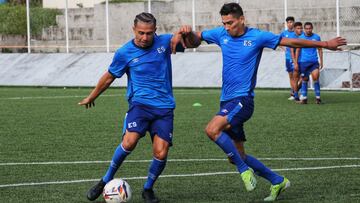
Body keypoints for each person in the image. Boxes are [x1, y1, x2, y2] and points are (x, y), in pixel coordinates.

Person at [173, 3, 346, 201]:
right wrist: (185, 33)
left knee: (212, 130)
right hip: (226, 101)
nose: (227, 27)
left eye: (230, 22)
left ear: (241, 19)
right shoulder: (221, 34)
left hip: (243, 100)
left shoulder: (258, 37)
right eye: (224, 23)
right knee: (238, 155)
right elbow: (196, 41)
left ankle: (244, 171)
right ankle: (277, 181)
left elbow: (291, 42)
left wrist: (324, 44)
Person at [79, 12, 188, 203]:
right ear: (133, 29)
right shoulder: (124, 53)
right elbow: (109, 77)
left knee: (161, 153)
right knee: (129, 142)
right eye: (141, 33)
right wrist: (91, 96)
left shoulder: (165, 42)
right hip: (140, 105)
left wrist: (187, 33)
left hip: (164, 108)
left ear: (155, 31)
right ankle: (105, 180)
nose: (145, 37)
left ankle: (148, 189)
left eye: (149, 33)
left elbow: (191, 42)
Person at [295, 22, 323, 104]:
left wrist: (321, 61)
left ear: (312, 28)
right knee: (304, 79)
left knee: (315, 77)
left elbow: (320, 49)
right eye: (306, 29)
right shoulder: (301, 38)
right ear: (304, 29)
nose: (308, 30)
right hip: (303, 62)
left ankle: (318, 98)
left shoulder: (316, 37)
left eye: (309, 28)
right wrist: (296, 62)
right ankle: (304, 99)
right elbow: (298, 50)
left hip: (314, 62)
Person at [280, 16, 297, 100]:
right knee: (291, 76)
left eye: (291, 22)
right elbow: (279, 42)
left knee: (297, 76)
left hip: (297, 58)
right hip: (288, 58)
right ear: (286, 24)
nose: (290, 24)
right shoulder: (284, 33)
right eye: (288, 22)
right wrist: (284, 49)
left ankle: (296, 91)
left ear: (294, 23)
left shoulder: (297, 33)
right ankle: (293, 93)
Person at [292, 22, 304, 101]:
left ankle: (296, 92)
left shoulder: (304, 37)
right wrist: (295, 62)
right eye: (298, 28)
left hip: (305, 61)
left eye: (301, 28)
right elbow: (292, 51)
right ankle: (296, 95)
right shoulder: (293, 38)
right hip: (296, 61)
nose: (300, 30)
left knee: (304, 79)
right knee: (295, 78)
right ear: (295, 29)